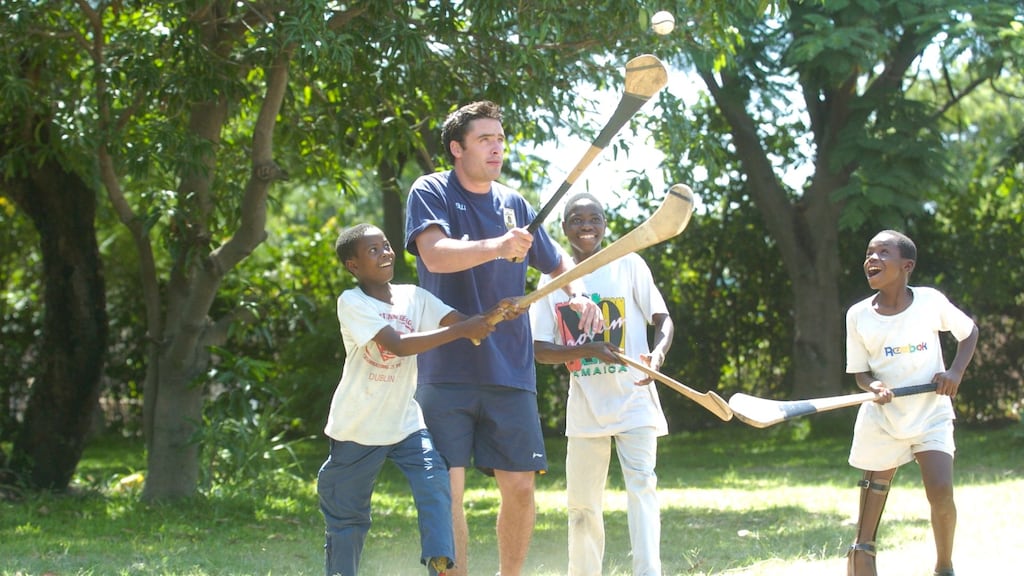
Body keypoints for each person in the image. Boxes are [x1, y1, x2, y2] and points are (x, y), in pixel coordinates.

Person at [404, 100, 602, 576]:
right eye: (485, 139)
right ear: (457, 148)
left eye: (500, 138)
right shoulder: (430, 190)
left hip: (510, 370)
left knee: (520, 488)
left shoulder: (515, 204)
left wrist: (575, 294)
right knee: (446, 490)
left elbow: (557, 264)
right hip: (444, 368)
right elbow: (435, 256)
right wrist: (499, 246)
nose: (497, 148)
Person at [317, 223, 511, 576]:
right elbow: (400, 345)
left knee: (434, 479)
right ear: (353, 266)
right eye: (372, 250)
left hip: (404, 420)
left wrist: (495, 316)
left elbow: (464, 323)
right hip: (356, 426)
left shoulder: (414, 297)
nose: (386, 253)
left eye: (386, 245)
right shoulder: (352, 302)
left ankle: (439, 561)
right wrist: (464, 330)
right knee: (348, 521)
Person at [530, 192, 674, 576]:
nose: (587, 226)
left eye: (594, 218)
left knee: (642, 488)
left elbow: (663, 319)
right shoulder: (551, 279)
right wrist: (590, 348)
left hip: (636, 398)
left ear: (605, 223)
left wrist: (656, 357)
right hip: (586, 407)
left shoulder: (628, 263)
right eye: (577, 220)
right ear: (564, 229)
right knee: (581, 504)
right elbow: (539, 349)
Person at [844, 230, 978, 576]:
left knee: (940, 490)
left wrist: (955, 373)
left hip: (930, 411)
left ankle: (944, 566)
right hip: (883, 417)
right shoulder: (858, 315)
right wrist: (873, 385)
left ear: (907, 266)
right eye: (869, 253)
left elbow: (969, 332)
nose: (872, 259)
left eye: (883, 253)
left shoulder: (930, 302)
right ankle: (861, 559)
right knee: (872, 500)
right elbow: (860, 373)